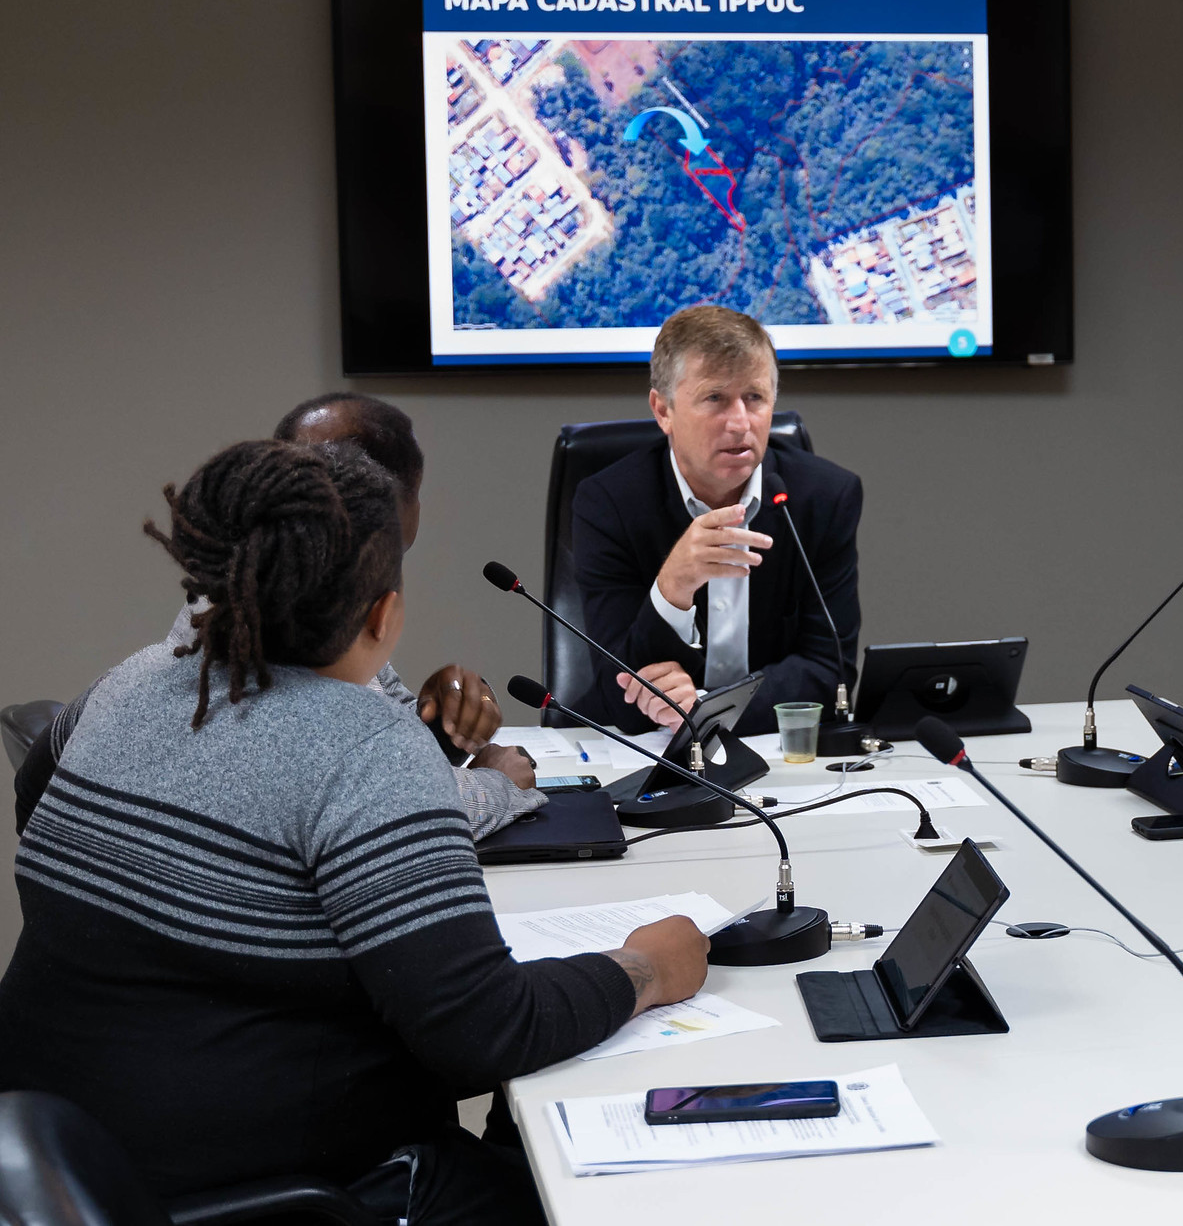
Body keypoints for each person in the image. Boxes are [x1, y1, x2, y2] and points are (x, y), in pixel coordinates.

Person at [0, 440, 710, 1220]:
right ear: (383, 612)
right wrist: (647, 966)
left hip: (54, 1154)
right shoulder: (366, 743)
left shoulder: (124, 681)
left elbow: (35, 806)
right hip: (276, 1192)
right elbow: (485, 1031)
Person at [13, 393, 544, 840]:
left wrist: (437, 730)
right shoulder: (282, 672)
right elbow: (389, 798)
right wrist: (499, 783)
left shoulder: (137, 673)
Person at [573, 304, 862, 736]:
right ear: (663, 410)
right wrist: (672, 588)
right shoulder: (608, 504)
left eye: (755, 398)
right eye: (715, 399)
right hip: (640, 750)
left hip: (771, 747)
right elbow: (622, 697)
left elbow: (829, 672)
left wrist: (708, 710)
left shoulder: (824, 498)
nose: (740, 423)